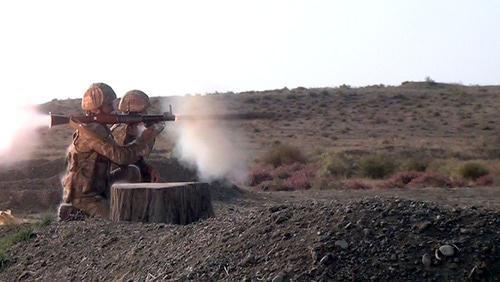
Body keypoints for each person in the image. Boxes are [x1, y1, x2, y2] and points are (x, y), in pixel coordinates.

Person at [59, 83, 164, 219]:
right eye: (109, 105)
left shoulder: (99, 128)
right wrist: (143, 139)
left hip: (99, 185)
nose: (113, 110)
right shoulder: (92, 131)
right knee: (118, 219)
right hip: (86, 196)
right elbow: (121, 157)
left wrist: (146, 168)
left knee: (132, 171)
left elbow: (119, 158)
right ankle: (75, 211)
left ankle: (127, 206)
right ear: (96, 109)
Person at [111, 90, 161, 182]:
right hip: (117, 179)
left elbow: (136, 158)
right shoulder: (120, 131)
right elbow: (122, 160)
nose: (146, 113)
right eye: (143, 111)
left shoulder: (135, 129)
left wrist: (148, 169)